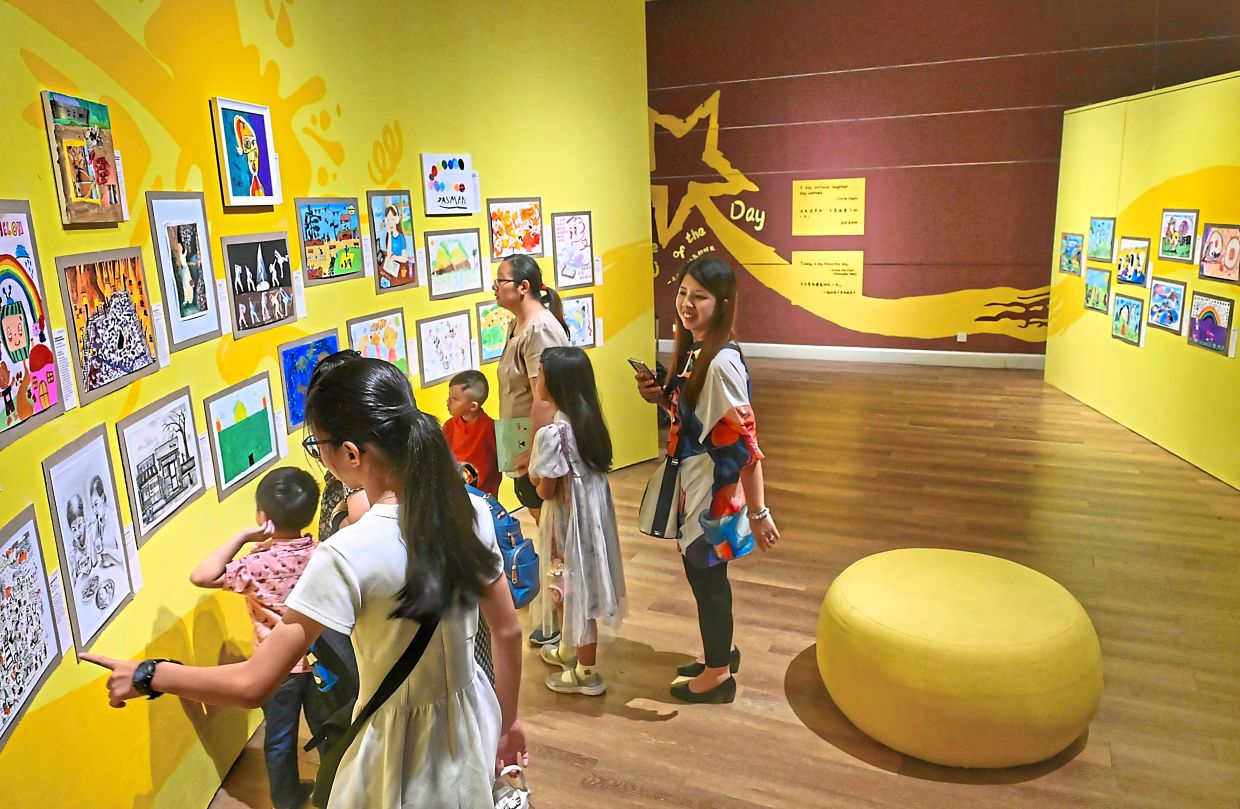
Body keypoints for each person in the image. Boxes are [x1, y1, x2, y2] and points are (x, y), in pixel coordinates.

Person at [83, 357, 528, 807]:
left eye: (318, 446)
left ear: (351, 455)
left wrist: (151, 674)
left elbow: (255, 683)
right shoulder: (469, 512)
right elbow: (507, 631)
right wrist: (507, 725)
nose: (320, 457)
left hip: (398, 745)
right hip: (473, 717)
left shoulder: (345, 553)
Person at [635, 256, 781, 705]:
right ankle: (721, 655)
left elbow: (746, 446)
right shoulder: (697, 350)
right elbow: (699, 422)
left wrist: (759, 512)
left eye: (700, 296)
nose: (687, 304)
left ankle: (719, 675)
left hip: (711, 494)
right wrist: (662, 399)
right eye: (682, 293)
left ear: (722, 303)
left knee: (708, 580)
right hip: (696, 485)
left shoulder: (718, 364)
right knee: (704, 578)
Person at [187, 466, 327, 809]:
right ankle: (337, 791)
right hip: (325, 661)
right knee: (330, 730)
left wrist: (242, 537)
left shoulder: (258, 563)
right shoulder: (323, 553)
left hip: (276, 668)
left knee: (279, 738)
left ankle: (287, 798)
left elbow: (202, 576)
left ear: (263, 516)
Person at [529, 347, 626, 696]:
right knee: (574, 585)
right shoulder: (588, 423)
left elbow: (546, 490)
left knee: (569, 589)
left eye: (540, 373)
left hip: (566, 522)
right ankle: (570, 649)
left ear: (555, 383)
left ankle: (586, 672)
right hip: (591, 521)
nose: (536, 380)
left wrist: (535, 477)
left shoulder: (553, 434)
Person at [493, 253, 569, 647]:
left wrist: (536, 454)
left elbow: (547, 398)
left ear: (524, 287)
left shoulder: (540, 328)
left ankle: (564, 625)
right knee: (548, 534)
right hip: (521, 441)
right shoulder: (517, 325)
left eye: (501, 281)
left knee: (556, 540)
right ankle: (557, 622)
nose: (495, 287)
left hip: (536, 446)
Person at [444, 369, 501, 499]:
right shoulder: (449, 427)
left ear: (473, 406)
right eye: (449, 396)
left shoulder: (490, 428)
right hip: (457, 494)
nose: (448, 401)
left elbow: (504, 460)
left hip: (484, 497)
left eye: (455, 398)